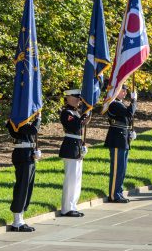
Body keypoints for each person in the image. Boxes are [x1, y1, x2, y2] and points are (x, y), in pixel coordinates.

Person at [6, 114, 41, 231]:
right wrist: (38, 119)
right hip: (22, 155)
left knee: (28, 187)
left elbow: (30, 133)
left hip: (27, 154)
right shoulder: (16, 121)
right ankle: (16, 221)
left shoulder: (22, 121)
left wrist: (34, 150)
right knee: (22, 187)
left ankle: (20, 219)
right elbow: (33, 130)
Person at [59, 89, 89, 217]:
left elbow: (81, 126)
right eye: (76, 97)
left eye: (79, 97)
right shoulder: (66, 113)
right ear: (68, 97)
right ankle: (66, 208)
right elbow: (74, 126)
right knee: (70, 179)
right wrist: (83, 117)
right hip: (70, 147)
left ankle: (73, 205)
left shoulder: (76, 112)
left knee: (77, 179)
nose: (78, 99)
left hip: (76, 147)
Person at [105, 84, 137, 203]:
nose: (124, 93)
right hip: (117, 139)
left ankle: (119, 191)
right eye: (122, 90)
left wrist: (130, 131)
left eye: (125, 91)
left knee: (122, 169)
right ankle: (114, 194)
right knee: (117, 169)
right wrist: (134, 100)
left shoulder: (121, 104)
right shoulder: (113, 104)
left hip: (123, 139)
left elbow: (127, 119)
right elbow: (129, 113)